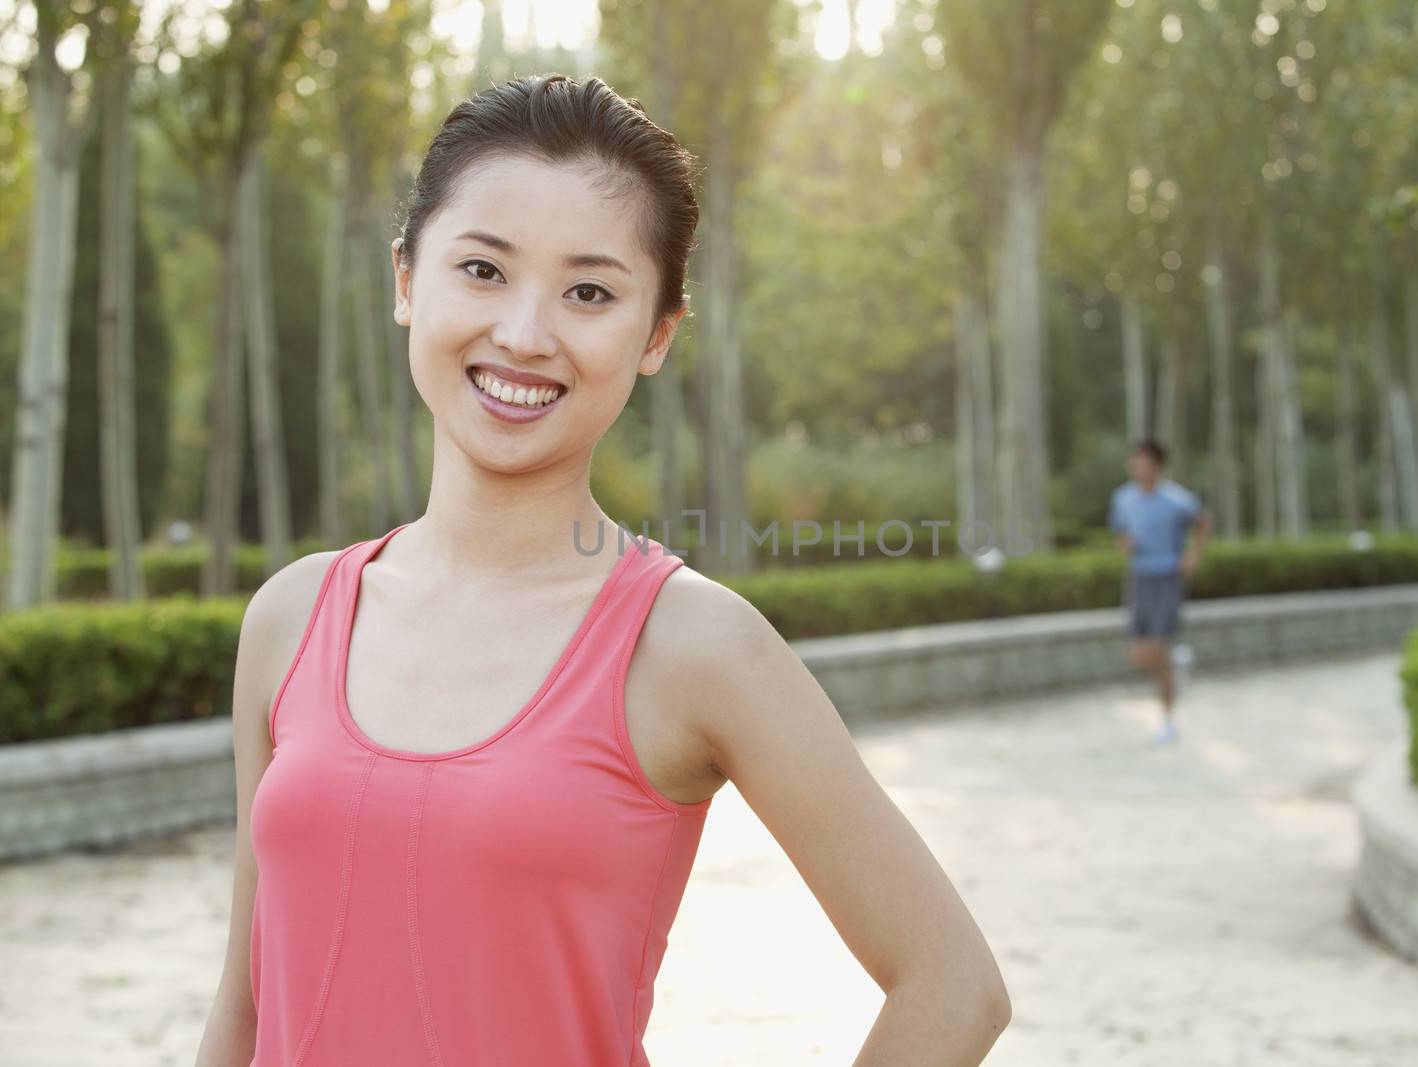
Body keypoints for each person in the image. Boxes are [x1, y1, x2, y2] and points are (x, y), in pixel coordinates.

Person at [193, 74, 1009, 1067]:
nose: (526, 333)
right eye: (483, 269)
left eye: (589, 291)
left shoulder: (693, 644)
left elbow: (953, 984)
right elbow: (245, 1010)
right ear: (407, 279)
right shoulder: (292, 616)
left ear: (656, 333)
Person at [1107, 438, 1209, 745]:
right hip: (1139, 579)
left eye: (1145, 462)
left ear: (1158, 466)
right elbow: (1120, 532)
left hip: (1167, 578)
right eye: (1135, 461)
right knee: (1139, 654)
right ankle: (1176, 664)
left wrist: (1193, 556)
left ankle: (1167, 720)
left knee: (1157, 648)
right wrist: (1125, 544)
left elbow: (1203, 522)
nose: (1138, 467)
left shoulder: (1177, 500)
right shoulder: (1123, 498)